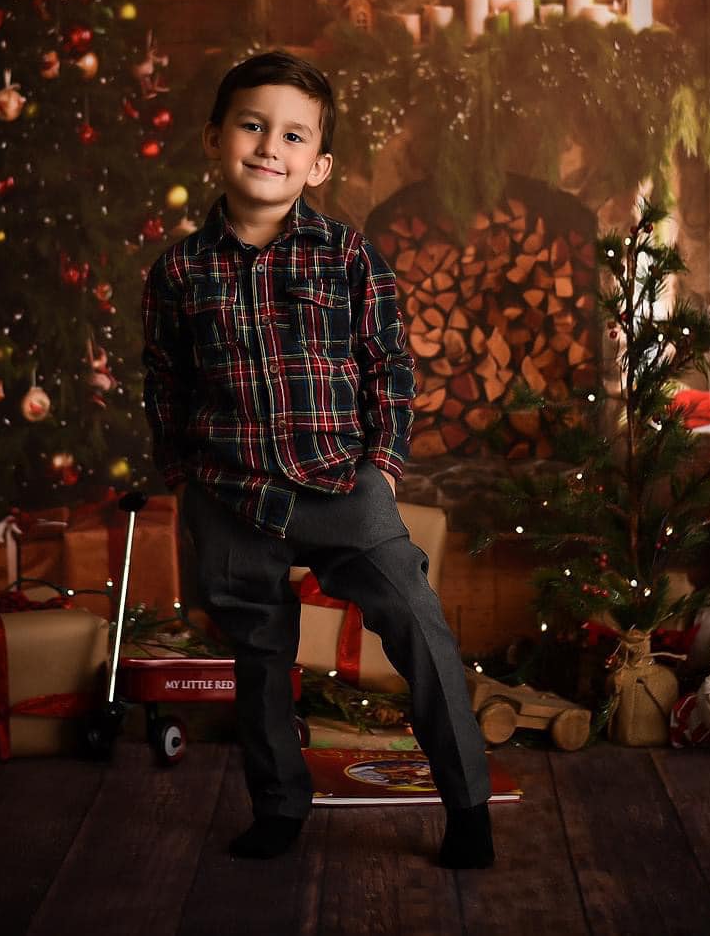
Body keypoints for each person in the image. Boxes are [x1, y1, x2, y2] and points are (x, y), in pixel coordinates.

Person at [141, 50, 494, 868]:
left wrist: (385, 467)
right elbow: (164, 380)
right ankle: (278, 805)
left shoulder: (347, 255)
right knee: (260, 655)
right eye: (253, 125)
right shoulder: (179, 273)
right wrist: (182, 474)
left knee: (417, 623)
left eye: (293, 135)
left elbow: (390, 368)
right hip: (230, 492)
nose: (270, 146)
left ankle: (468, 804)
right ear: (215, 138)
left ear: (318, 163)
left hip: (342, 481)